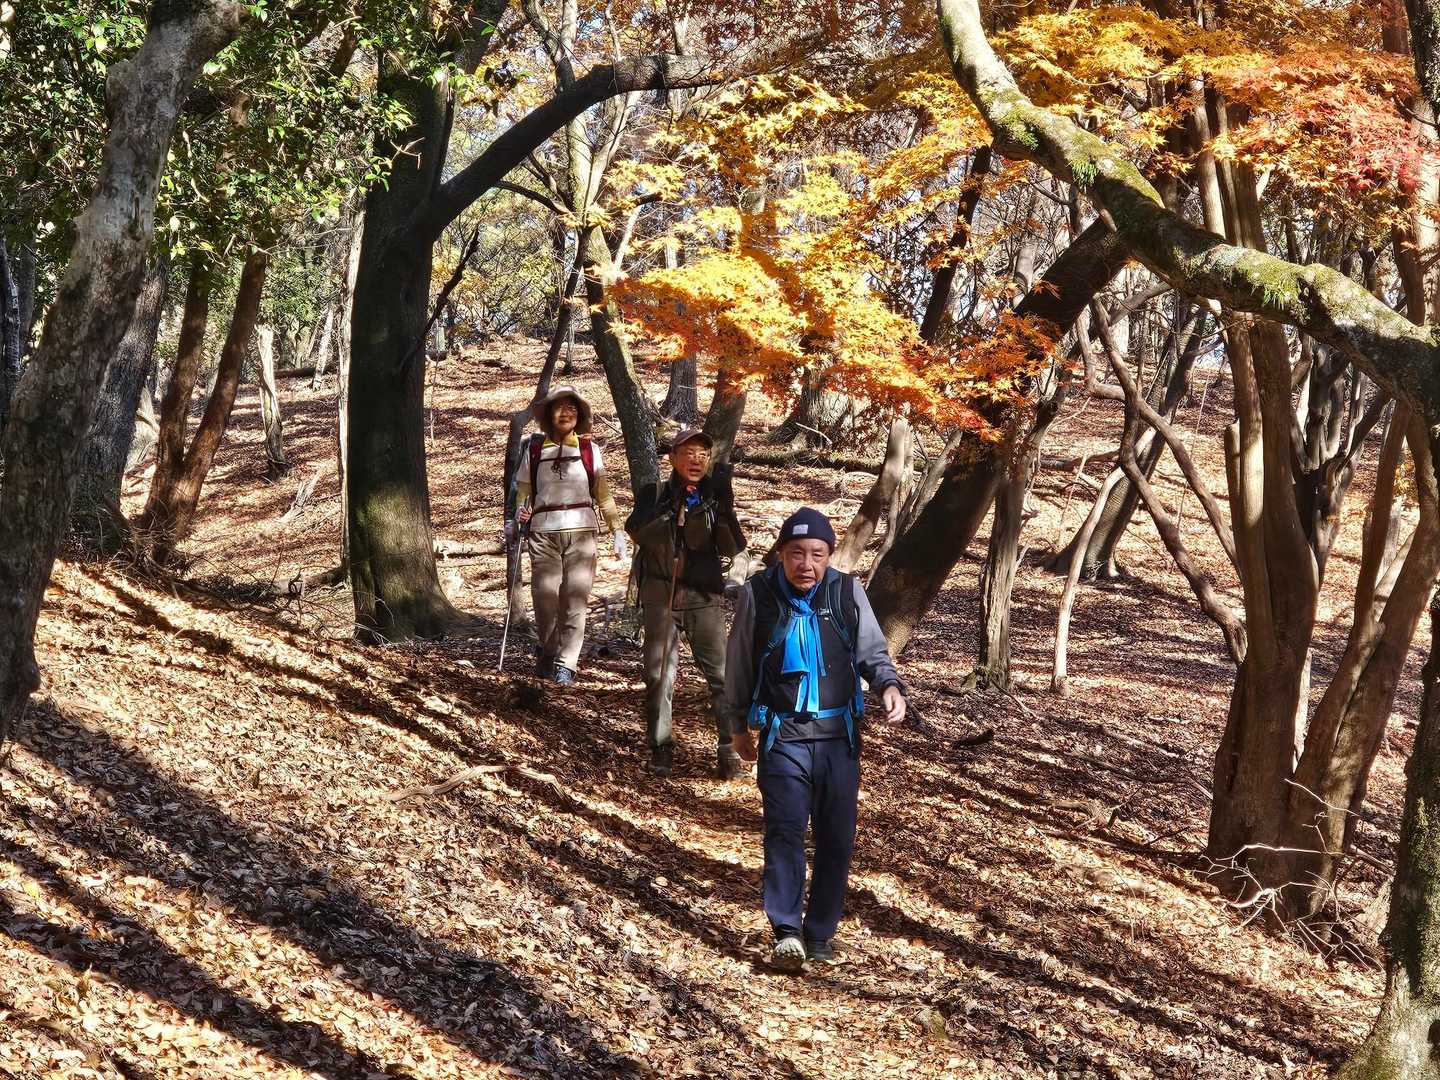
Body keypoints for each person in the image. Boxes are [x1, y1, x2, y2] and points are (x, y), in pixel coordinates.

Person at [723, 507, 906, 972]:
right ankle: (786, 930)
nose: (806, 564)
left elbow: (871, 651)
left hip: (837, 738)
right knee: (784, 831)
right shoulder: (758, 594)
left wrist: (888, 686)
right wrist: (736, 725)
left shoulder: (846, 592)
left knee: (836, 837)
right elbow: (739, 661)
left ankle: (820, 933)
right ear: (781, 554)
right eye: (796, 553)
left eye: (817, 554)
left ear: (829, 555)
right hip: (783, 736)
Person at [626, 429, 747, 779]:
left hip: (704, 596)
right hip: (660, 594)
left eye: (703, 454)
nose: (696, 460)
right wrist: (672, 510)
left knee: (721, 675)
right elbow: (639, 532)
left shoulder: (713, 494)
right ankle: (660, 746)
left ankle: (729, 749)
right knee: (658, 674)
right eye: (689, 452)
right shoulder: (654, 493)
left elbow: (732, 547)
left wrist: (722, 507)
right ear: (673, 458)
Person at [508, 386, 628, 684]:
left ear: (580, 415)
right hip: (543, 532)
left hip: (582, 533)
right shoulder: (535, 450)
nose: (566, 413)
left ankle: (566, 664)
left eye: (572, 408)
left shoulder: (589, 450)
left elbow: (603, 494)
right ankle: (548, 650)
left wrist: (617, 530)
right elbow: (524, 492)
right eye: (559, 407)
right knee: (545, 598)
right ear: (549, 414)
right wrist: (519, 514)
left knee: (575, 599)